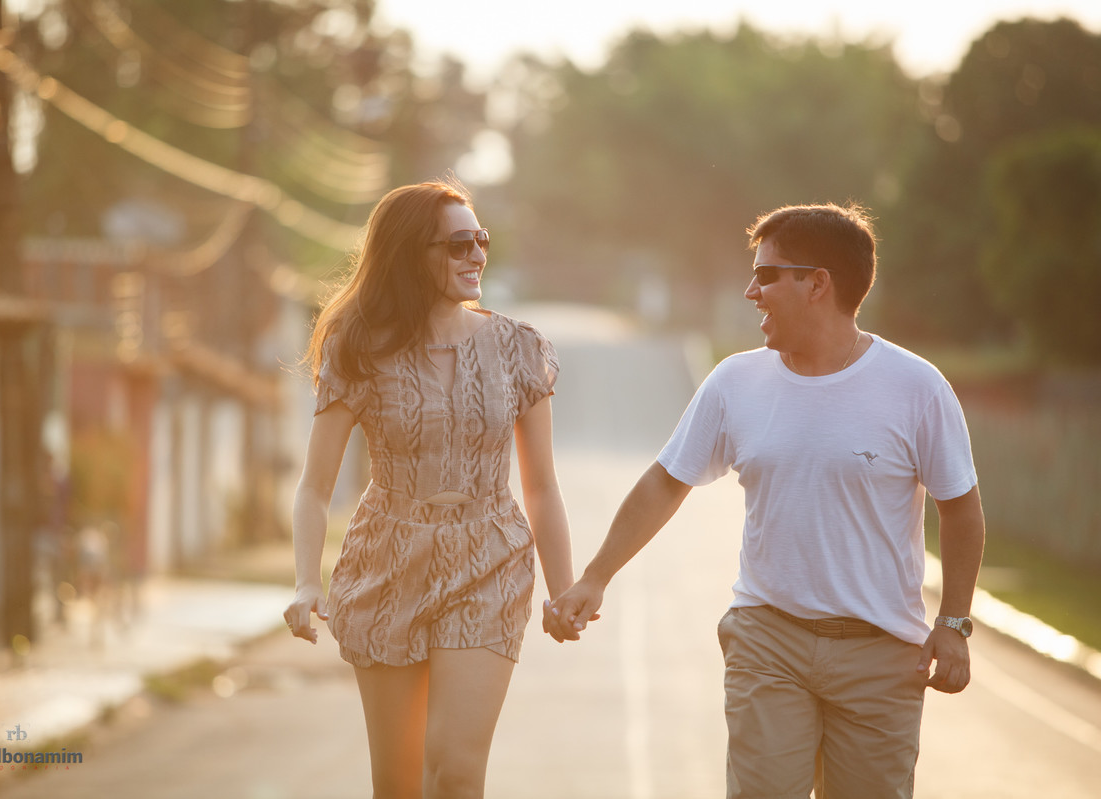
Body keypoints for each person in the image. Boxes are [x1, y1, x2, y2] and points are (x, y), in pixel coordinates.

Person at [549, 203, 985, 798]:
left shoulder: (916, 388)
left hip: (881, 655)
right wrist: (594, 577)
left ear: (817, 284)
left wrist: (954, 623)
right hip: (768, 639)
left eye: (767, 275)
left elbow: (959, 505)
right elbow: (664, 482)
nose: (751, 291)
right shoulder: (735, 382)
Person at [283, 177, 576, 799]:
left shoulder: (518, 348)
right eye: (458, 244)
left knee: (456, 771)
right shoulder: (358, 348)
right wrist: (308, 579)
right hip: (385, 558)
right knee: (398, 782)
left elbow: (543, 487)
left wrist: (563, 588)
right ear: (410, 254)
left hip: (488, 557)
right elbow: (314, 487)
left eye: (482, 240)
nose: (476, 256)